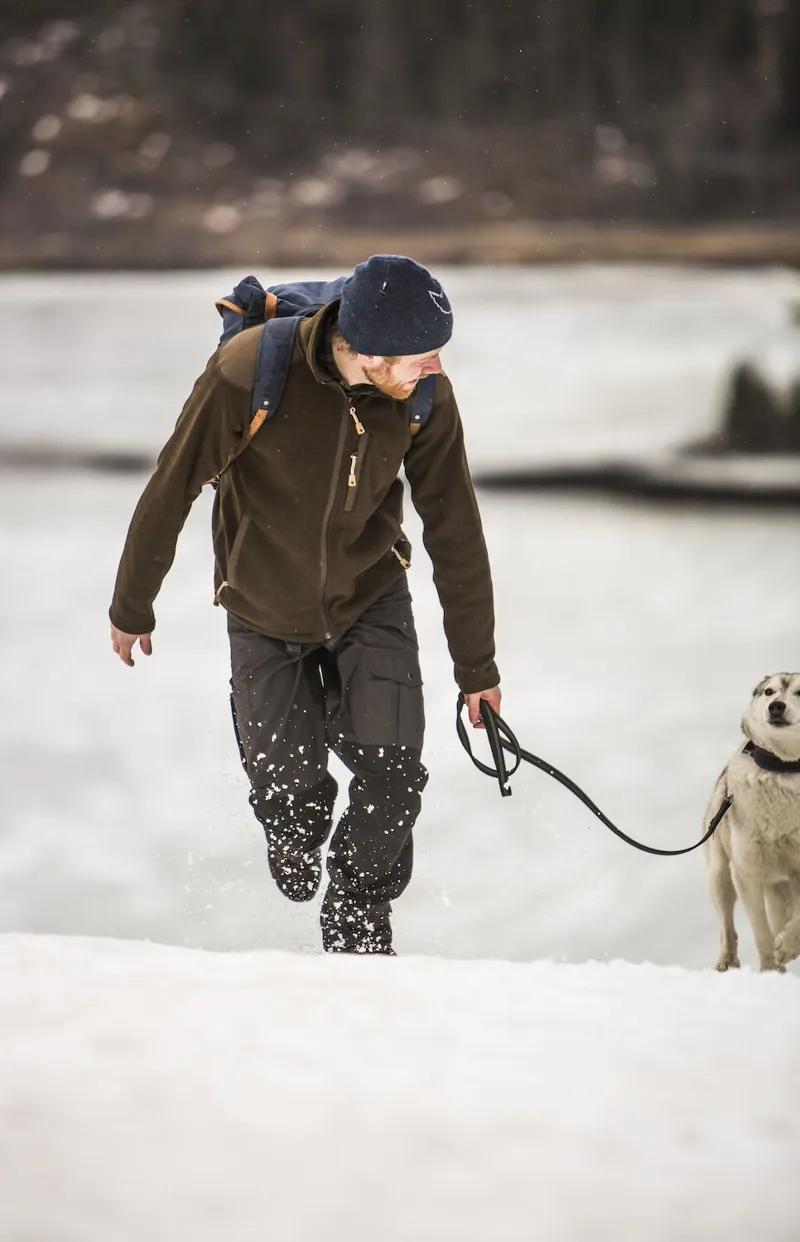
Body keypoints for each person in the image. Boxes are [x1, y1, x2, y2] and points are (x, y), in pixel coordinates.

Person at [109, 254, 500, 954]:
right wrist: (132, 604)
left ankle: (356, 913)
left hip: (371, 594)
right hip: (261, 604)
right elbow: (172, 485)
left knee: (393, 775)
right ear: (369, 351)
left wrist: (478, 667)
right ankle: (296, 833)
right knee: (291, 808)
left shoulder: (423, 397)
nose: (434, 368)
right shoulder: (247, 374)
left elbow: (454, 526)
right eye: (420, 356)